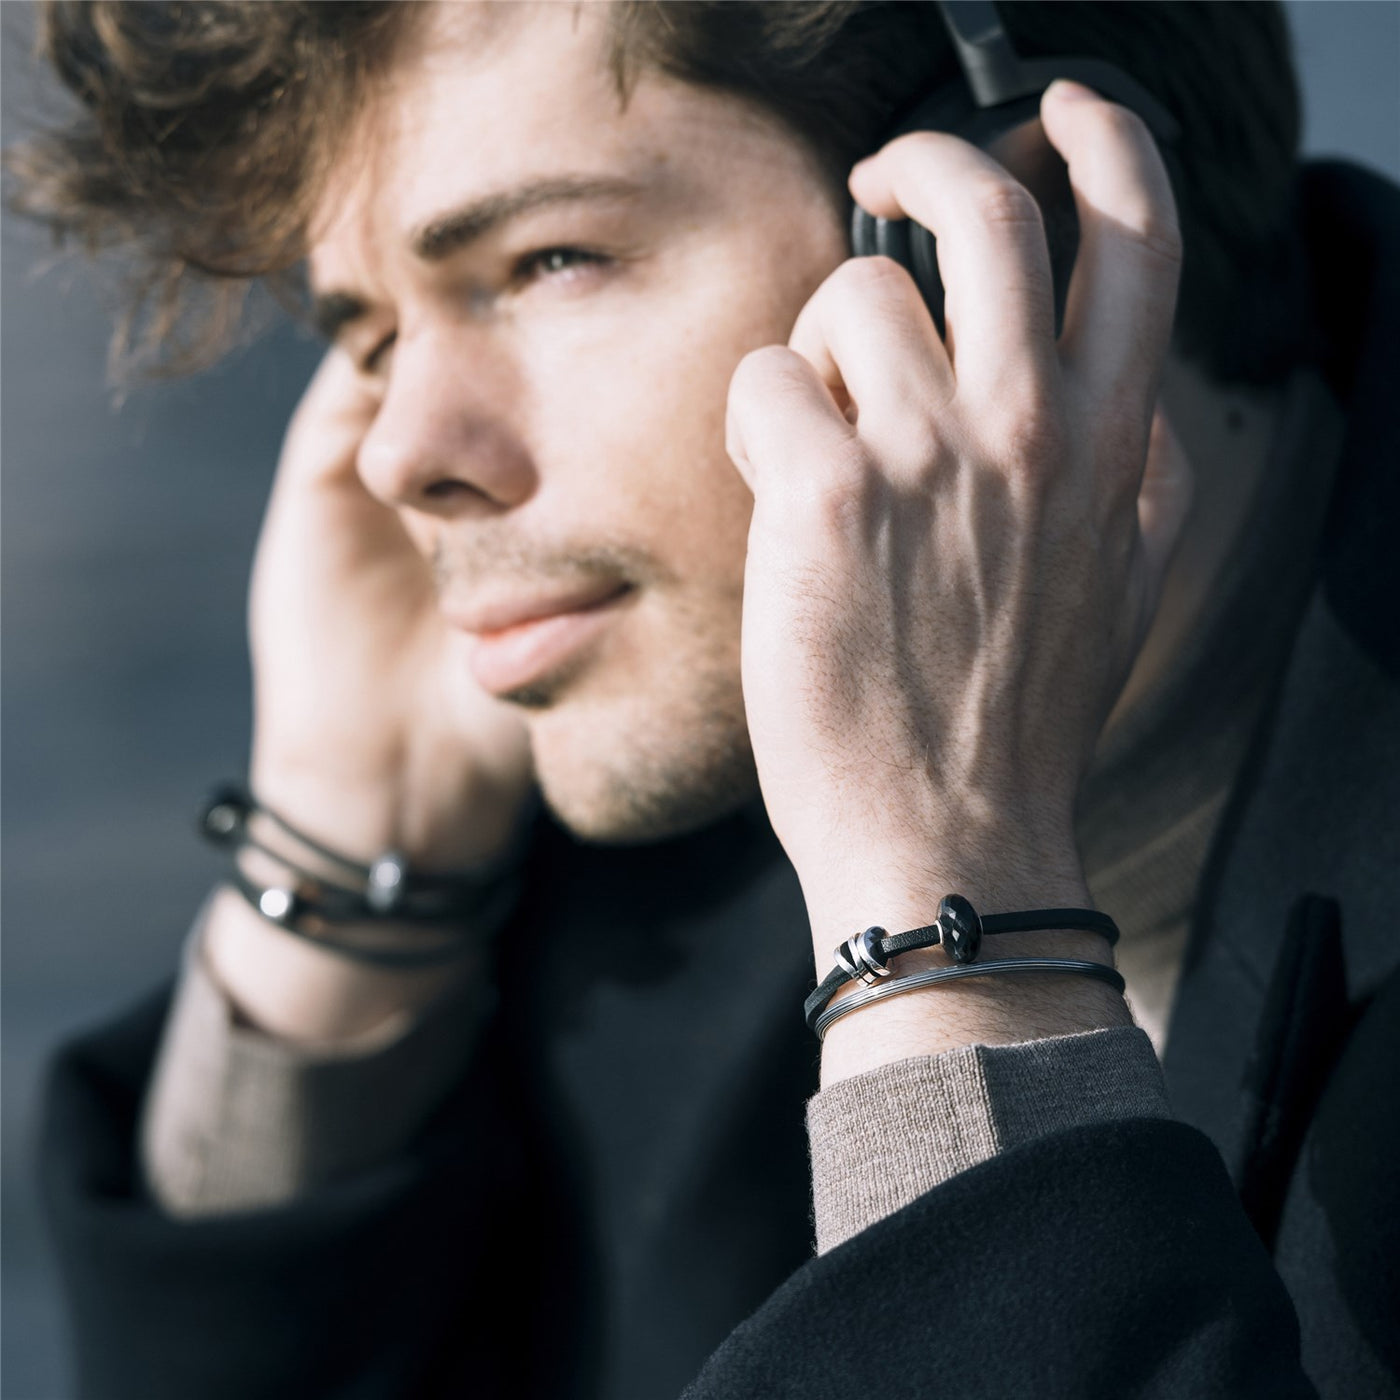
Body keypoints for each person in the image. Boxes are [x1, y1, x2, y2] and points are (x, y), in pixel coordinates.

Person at [11, 1, 1398, 1396]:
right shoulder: (630, 831)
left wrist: (952, 926)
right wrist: (348, 892)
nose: (402, 455)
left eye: (547, 259)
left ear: (1008, 225)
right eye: (367, 337)